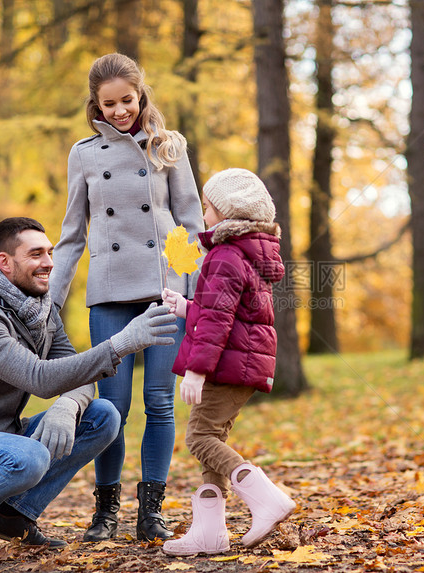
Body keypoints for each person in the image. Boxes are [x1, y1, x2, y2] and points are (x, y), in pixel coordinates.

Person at [0, 217, 178, 564]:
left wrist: (68, 407)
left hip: (4, 437)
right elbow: (39, 377)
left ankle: (13, 516)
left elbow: (75, 375)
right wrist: (121, 344)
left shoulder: (40, 310)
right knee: (30, 457)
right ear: (5, 263)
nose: (49, 262)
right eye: (35, 254)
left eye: (49, 252)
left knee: (103, 416)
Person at [49, 52, 203, 543]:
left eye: (127, 100)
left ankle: (151, 509)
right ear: (95, 105)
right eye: (108, 103)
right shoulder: (84, 154)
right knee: (111, 408)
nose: (119, 111)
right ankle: (106, 509)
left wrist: (188, 292)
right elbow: (72, 235)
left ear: (141, 97)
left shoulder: (168, 146)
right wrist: (51, 301)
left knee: (159, 401)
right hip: (111, 293)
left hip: (163, 291)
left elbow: (192, 224)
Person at [160, 168, 296, 556]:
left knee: (199, 438)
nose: (203, 215)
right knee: (213, 437)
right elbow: (228, 311)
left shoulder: (224, 255)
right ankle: (209, 532)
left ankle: (267, 498)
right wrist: (187, 307)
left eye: (208, 207)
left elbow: (219, 322)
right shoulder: (247, 254)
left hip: (223, 365)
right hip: (243, 361)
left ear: (228, 211)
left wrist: (196, 370)